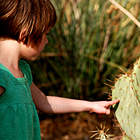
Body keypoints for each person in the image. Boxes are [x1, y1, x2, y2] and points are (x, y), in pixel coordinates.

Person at [0, 0, 119, 139]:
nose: (47, 41)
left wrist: (90, 105)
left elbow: (45, 102)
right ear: (25, 34)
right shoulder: (2, 76)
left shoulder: (22, 71)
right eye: (46, 34)